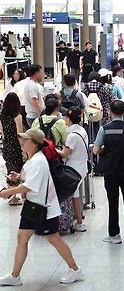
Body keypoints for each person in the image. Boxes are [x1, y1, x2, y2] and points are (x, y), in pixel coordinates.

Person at [0, 128, 84, 286]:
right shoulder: (33, 159)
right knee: (22, 238)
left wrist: (6, 193)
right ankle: (14, 275)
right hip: (33, 207)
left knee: (54, 239)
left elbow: (28, 187)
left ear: (34, 144)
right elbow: (29, 179)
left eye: (25, 140)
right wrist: (18, 177)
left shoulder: (38, 161)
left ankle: (75, 269)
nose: (22, 142)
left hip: (44, 209)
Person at [93, 101, 124, 244]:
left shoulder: (104, 129)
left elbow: (95, 150)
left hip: (110, 171)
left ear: (110, 112)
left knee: (113, 202)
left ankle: (114, 235)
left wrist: (104, 150)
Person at [56, 107, 88, 232]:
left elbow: (65, 154)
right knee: (75, 194)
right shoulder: (82, 130)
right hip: (82, 165)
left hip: (74, 168)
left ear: (68, 119)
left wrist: (54, 149)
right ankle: (78, 218)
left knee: (74, 195)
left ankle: (78, 222)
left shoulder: (72, 136)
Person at [1, 92, 25, 205]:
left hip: (6, 146)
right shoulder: (17, 116)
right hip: (15, 146)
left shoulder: (2, 116)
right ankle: (13, 197)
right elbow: (20, 134)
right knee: (17, 170)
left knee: (10, 169)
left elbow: (3, 132)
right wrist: (23, 149)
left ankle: (10, 195)